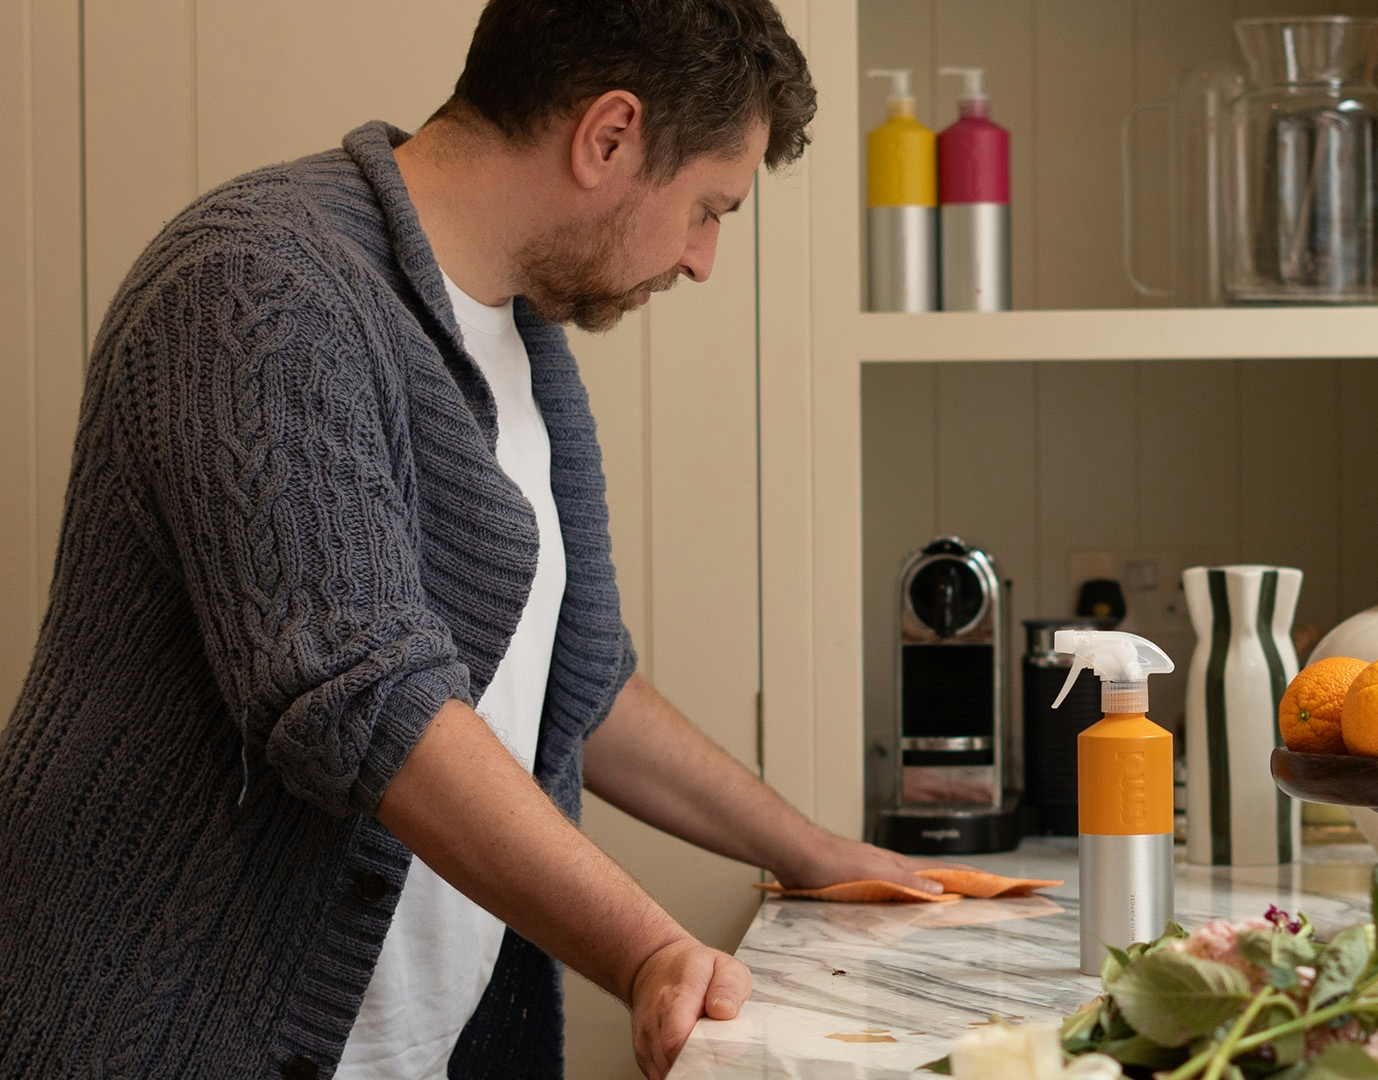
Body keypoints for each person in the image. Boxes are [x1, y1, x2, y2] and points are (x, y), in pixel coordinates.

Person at [0, 2, 955, 1077]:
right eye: (707, 208)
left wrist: (813, 854)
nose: (703, 260)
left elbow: (582, 689)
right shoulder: (257, 286)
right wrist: (645, 950)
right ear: (609, 136)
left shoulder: (523, 335)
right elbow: (366, 700)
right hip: (161, 1040)